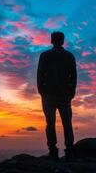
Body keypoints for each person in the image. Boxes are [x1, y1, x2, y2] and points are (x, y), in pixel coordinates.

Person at [37, 31, 77, 160]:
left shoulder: (45, 55)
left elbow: (39, 75)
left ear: (51, 41)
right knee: (67, 123)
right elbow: (74, 76)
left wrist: (41, 91)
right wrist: (72, 91)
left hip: (48, 95)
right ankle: (70, 150)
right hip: (64, 95)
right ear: (63, 41)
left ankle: (53, 150)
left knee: (50, 123)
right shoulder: (69, 56)